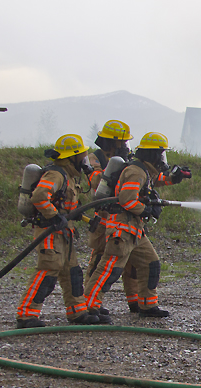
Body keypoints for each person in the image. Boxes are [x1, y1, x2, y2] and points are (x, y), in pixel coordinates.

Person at [83, 132, 190, 318]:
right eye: (161, 154)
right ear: (152, 155)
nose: (162, 159)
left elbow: (154, 181)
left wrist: (174, 177)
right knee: (109, 269)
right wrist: (146, 210)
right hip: (122, 228)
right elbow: (127, 199)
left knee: (150, 263)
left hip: (134, 229)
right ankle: (89, 306)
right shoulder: (136, 171)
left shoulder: (143, 170)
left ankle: (148, 305)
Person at [16, 134, 105, 328]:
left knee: (72, 272)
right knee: (48, 271)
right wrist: (54, 216)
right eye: (81, 156)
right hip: (50, 232)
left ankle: (77, 312)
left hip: (64, 233)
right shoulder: (56, 174)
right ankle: (26, 315)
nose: (84, 160)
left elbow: (66, 206)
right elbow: (39, 197)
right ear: (71, 157)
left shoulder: (68, 175)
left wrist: (82, 217)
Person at [85, 120, 140, 317]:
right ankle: (89, 302)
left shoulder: (125, 159)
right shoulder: (95, 158)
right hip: (103, 219)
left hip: (122, 219)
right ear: (112, 142)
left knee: (132, 261)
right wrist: (114, 169)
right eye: (122, 142)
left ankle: (135, 301)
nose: (125, 146)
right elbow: (94, 180)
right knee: (100, 260)